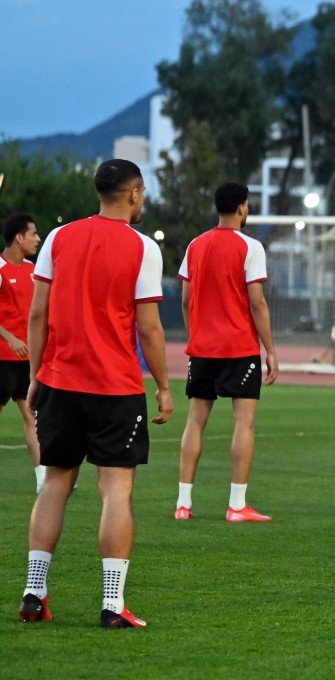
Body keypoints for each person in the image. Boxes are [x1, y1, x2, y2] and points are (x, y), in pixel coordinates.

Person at [19, 159, 173, 629]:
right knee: (116, 490)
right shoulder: (143, 247)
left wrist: (35, 376)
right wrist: (164, 386)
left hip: (59, 381)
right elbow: (149, 328)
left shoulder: (58, 238)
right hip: (115, 387)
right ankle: (112, 603)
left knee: (55, 485)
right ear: (134, 193)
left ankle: (34, 592)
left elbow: (38, 314)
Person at [175, 182, 278, 522]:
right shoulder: (251, 247)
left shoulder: (195, 245)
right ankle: (236, 505)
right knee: (243, 423)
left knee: (195, 420)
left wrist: (196, 336)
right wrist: (270, 350)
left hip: (202, 348)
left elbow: (186, 300)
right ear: (242, 207)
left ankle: (183, 504)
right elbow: (257, 303)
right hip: (239, 348)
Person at [0, 213, 44, 493]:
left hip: (27, 361)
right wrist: (9, 337)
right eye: (33, 234)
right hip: (2, 359)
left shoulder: (32, 270)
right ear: (19, 237)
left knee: (33, 418)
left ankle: (43, 480)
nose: (37, 239)